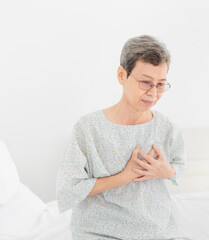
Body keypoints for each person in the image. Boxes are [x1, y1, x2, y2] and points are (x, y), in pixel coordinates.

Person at [56, 35, 191, 240]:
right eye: (146, 82)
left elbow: (178, 168)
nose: (153, 93)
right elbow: (69, 189)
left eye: (161, 84)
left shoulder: (166, 127)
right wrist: (124, 177)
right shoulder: (88, 128)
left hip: (156, 229)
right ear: (122, 75)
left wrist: (165, 171)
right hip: (99, 231)